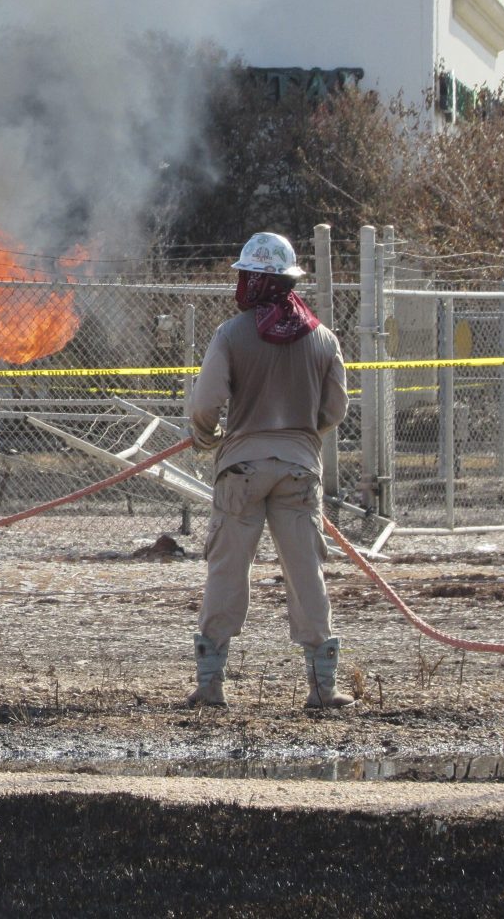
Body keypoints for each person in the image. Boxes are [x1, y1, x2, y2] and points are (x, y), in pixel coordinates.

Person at [186, 232, 351, 709]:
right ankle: (323, 687)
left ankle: (211, 685)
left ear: (253, 281)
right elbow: (336, 408)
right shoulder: (322, 338)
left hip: (241, 469)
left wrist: (207, 434)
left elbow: (206, 402)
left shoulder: (232, 334)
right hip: (300, 470)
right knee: (306, 574)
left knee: (227, 570)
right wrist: (301, 439)